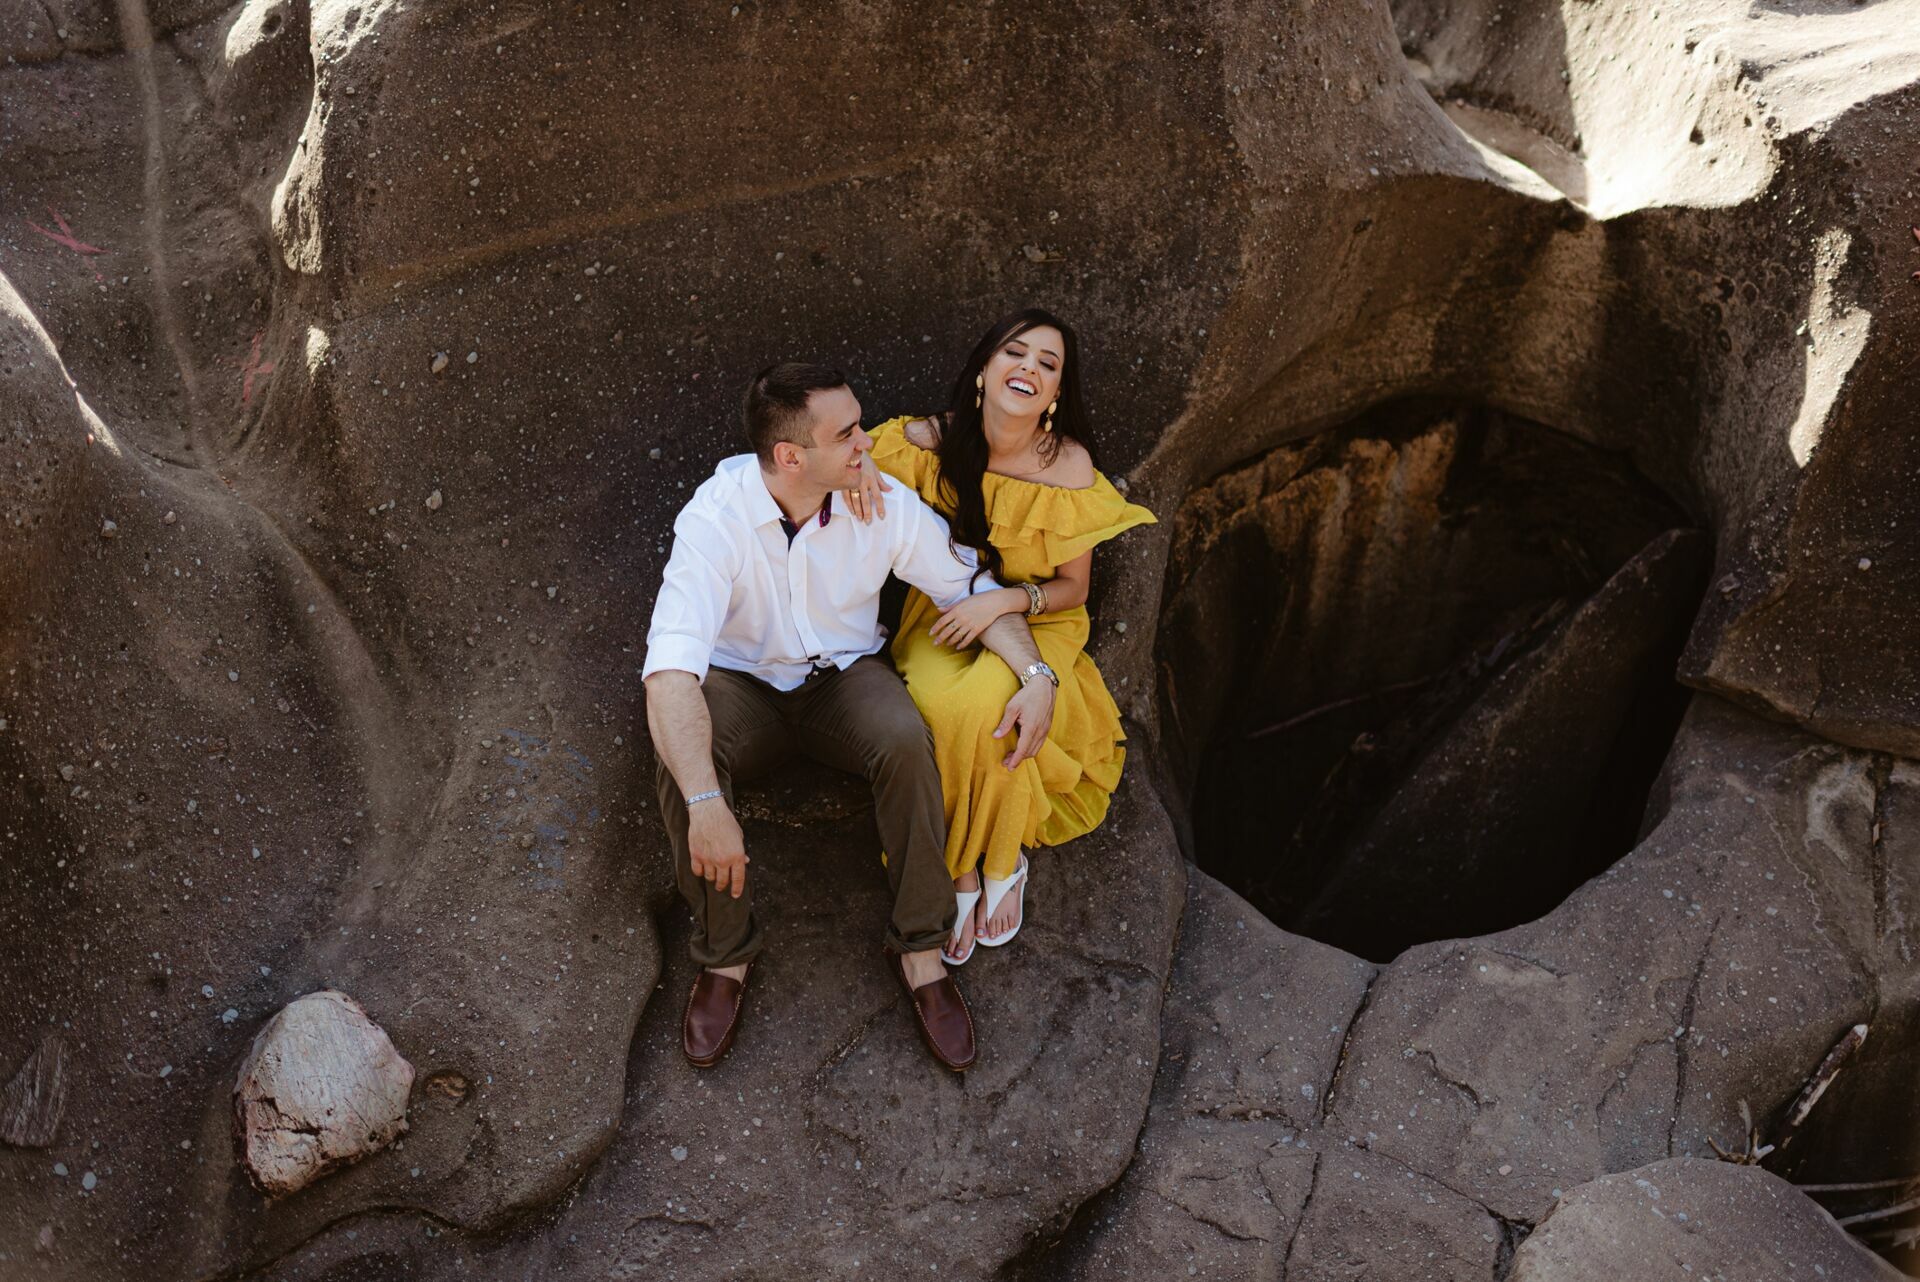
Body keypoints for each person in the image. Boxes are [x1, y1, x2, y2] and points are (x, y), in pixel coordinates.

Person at [642, 361, 1058, 1072]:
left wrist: (1036, 674)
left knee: (903, 736)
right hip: (741, 686)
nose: (868, 443)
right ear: (790, 456)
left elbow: (969, 585)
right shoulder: (715, 518)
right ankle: (724, 957)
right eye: (849, 434)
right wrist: (707, 803)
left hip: (844, 680)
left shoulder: (880, 501)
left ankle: (922, 952)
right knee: (685, 761)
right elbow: (671, 671)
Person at [847, 308, 1156, 963]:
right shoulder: (926, 441)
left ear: (1055, 396)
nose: (1030, 369)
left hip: (1040, 619)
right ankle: (967, 868)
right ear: (984, 371)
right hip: (947, 615)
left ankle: (995, 863)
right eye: (1016, 354)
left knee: (993, 705)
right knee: (936, 705)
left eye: (1049, 365)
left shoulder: (1068, 466)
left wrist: (1008, 603)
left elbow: (1074, 588)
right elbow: (846, 467)